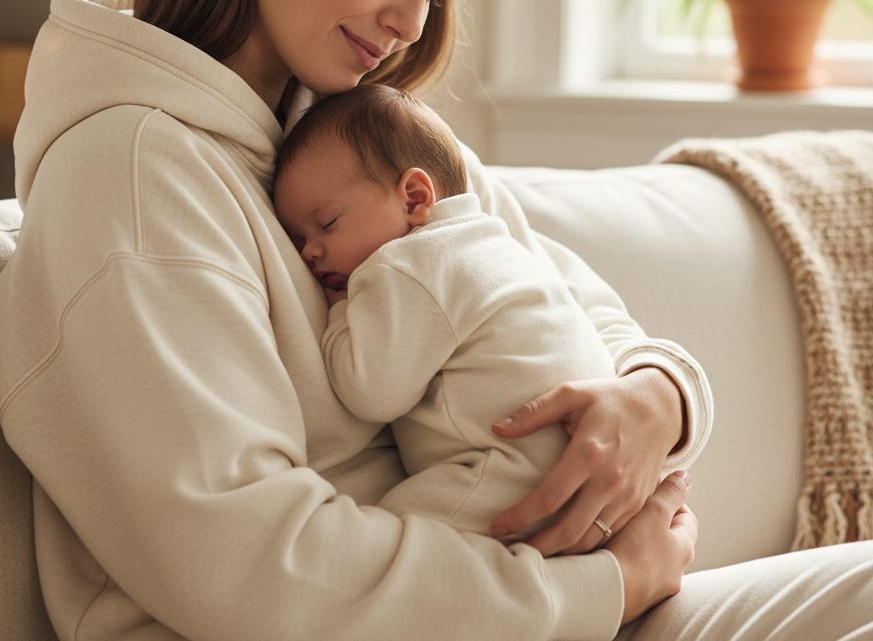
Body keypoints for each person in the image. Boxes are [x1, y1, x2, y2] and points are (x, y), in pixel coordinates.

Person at [0, 0, 873, 640]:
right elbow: (247, 566)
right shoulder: (133, 172)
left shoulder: (352, 136)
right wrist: (605, 588)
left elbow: (546, 287)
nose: (411, 22)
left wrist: (659, 396)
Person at [274, 82, 680, 542]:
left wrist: (340, 311)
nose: (310, 253)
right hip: (587, 459)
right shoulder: (489, 239)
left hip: (512, 470)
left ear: (413, 198)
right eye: (298, 239)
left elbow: (370, 391)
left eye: (326, 224)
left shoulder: (406, 264)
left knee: (378, 540)